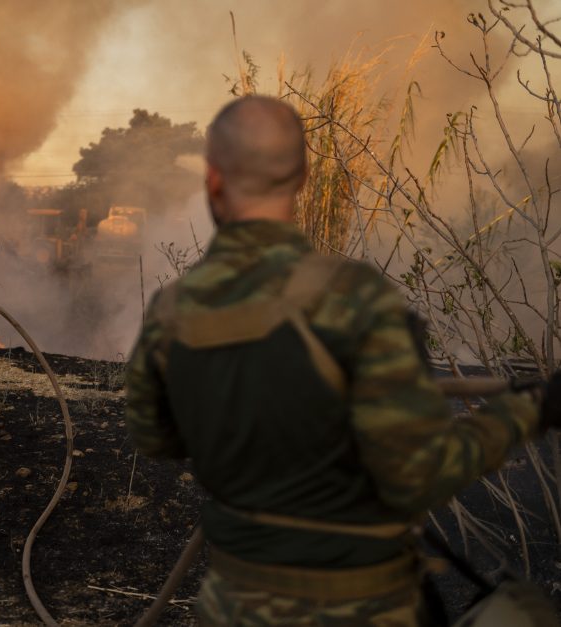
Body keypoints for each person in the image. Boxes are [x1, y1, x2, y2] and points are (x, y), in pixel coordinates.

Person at [124, 96, 561, 625]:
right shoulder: (358, 298)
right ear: (304, 176)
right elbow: (418, 475)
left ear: (213, 179)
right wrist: (529, 409)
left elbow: (155, 439)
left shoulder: (173, 310)